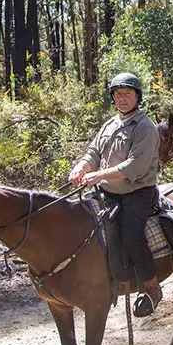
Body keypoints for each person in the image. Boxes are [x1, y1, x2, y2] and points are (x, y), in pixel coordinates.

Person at [70, 73, 163, 318]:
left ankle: (152, 287)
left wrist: (99, 175)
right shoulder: (110, 124)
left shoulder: (145, 127)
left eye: (128, 94)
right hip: (108, 192)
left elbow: (135, 167)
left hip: (137, 193)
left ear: (137, 97)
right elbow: (93, 152)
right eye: (118, 94)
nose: (122, 99)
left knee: (133, 237)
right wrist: (82, 167)